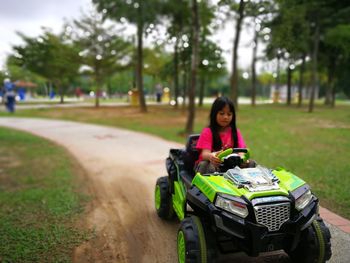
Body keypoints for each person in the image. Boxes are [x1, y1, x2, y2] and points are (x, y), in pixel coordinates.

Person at [195, 96, 246, 174]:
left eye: (229, 114)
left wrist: (242, 158)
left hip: (230, 166)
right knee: (209, 166)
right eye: (221, 113)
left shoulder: (235, 132)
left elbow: (241, 151)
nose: (225, 117)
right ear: (214, 114)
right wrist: (211, 156)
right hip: (212, 165)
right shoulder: (208, 132)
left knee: (252, 163)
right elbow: (204, 153)